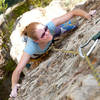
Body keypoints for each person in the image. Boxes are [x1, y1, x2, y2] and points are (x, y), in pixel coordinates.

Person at [10, 9, 92, 98]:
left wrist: (87, 15)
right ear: (37, 41)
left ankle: (53, 34)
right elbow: (17, 70)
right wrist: (13, 87)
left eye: (45, 29)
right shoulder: (30, 49)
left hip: (51, 40)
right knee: (29, 65)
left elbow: (73, 12)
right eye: (43, 35)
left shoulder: (49, 27)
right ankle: (25, 39)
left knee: (74, 23)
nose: (47, 33)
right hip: (37, 55)